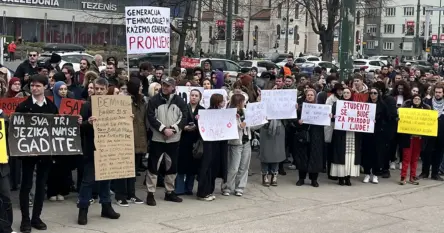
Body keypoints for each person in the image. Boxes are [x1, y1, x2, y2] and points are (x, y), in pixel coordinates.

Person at [15, 74, 59, 233]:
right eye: (32, 85)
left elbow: (58, 129)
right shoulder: (23, 106)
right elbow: (17, 131)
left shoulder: (51, 107)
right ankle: (25, 220)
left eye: (38, 86)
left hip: (45, 154)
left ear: (45, 87)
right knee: (26, 186)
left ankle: (36, 217)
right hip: (28, 154)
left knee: (41, 186)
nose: (34, 88)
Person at [77, 78, 121, 225]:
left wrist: (127, 119)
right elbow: (79, 127)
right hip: (91, 148)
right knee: (88, 181)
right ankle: (83, 209)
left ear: (107, 89)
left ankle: (106, 207)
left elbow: (118, 124)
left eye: (102, 89)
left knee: (106, 179)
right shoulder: (87, 105)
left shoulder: (113, 105)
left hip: (108, 147)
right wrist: (88, 123)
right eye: (97, 89)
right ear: (93, 89)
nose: (99, 91)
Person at [146, 77, 188, 206]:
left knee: (172, 166)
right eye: (163, 84)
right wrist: (163, 129)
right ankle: (150, 193)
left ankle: (169, 192)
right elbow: (151, 117)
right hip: (157, 139)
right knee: (153, 166)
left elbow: (184, 117)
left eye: (168, 85)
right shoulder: (154, 100)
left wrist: (173, 130)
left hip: (173, 140)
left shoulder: (180, 101)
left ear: (173, 87)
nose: (165, 87)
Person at [222, 94, 262, 196]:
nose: (244, 103)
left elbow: (252, 127)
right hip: (235, 143)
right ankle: (227, 187)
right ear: (238, 102)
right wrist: (239, 125)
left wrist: (262, 121)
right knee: (233, 167)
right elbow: (227, 128)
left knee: (244, 167)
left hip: (246, 141)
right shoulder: (229, 112)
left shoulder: (246, 111)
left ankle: (239, 187)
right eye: (243, 101)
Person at [114, 78, 146, 206]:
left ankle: (131, 194)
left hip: (138, 138)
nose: (142, 88)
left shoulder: (141, 101)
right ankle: (120, 195)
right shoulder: (123, 101)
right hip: (125, 139)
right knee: (123, 169)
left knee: (133, 170)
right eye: (140, 86)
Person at [196, 94, 229, 201]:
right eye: (222, 101)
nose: (224, 103)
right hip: (209, 145)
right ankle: (202, 192)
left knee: (214, 168)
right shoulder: (208, 113)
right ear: (217, 102)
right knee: (207, 168)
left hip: (218, 144)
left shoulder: (222, 113)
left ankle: (209, 191)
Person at [46, 81, 74, 202]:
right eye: (61, 89)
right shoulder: (51, 104)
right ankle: (52, 191)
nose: (63, 91)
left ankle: (62, 190)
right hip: (53, 139)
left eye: (65, 89)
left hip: (66, 139)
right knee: (53, 166)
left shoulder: (71, 103)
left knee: (64, 166)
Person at [293, 89, 325, 187]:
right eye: (308, 95)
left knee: (315, 157)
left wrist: (329, 116)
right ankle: (301, 178)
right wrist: (298, 122)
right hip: (303, 135)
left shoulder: (321, 108)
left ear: (315, 96)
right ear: (306, 96)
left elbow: (325, 121)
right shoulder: (301, 107)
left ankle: (314, 179)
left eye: (312, 95)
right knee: (302, 156)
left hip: (316, 136)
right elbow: (294, 120)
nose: (310, 96)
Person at [330, 87, 362, 186]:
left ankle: (348, 177)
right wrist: (332, 117)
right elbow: (332, 118)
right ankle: (340, 177)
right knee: (340, 155)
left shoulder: (356, 105)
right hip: (340, 134)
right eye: (344, 93)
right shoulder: (337, 104)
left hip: (351, 134)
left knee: (350, 156)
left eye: (348, 93)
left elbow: (362, 117)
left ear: (351, 94)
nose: (346, 94)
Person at [175, 89, 204, 196]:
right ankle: (179, 188)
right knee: (181, 165)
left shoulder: (202, 110)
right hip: (183, 140)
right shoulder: (183, 108)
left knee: (192, 166)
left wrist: (197, 126)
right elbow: (177, 122)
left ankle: (189, 188)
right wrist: (184, 127)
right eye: (192, 95)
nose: (194, 97)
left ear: (200, 98)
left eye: (196, 95)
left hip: (195, 141)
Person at [399, 95, 430, 185]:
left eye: (418, 99)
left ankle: (412, 177)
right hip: (408, 138)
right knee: (406, 158)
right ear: (412, 100)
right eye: (415, 99)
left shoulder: (425, 110)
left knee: (415, 159)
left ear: (421, 100)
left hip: (419, 138)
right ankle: (403, 177)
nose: (416, 100)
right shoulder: (407, 109)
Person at [362, 87, 389, 184]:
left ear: (378, 94)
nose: (373, 95)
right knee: (367, 154)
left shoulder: (383, 105)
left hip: (378, 134)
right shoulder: (366, 105)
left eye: (375, 93)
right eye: (371, 93)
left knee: (377, 154)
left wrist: (379, 122)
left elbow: (387, 119)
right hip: (367, 134)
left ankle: (376, 174)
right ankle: (367, 173)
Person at [0, 110, 13, 233]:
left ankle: (7, 228)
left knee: (6, 197)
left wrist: (7, 153)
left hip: (2, 166)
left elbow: (11, 138)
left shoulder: (4, 117)